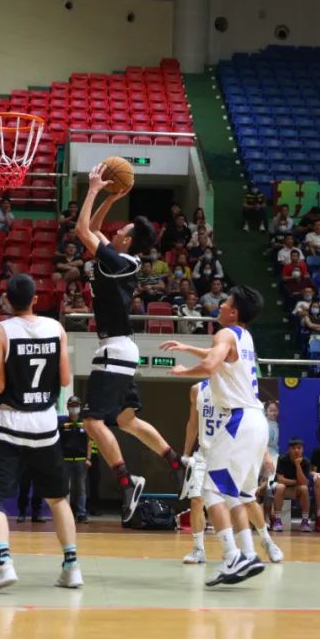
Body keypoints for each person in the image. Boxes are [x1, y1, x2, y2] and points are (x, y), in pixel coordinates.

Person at [75, 163, 179, 522]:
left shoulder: (118, 262)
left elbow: (80, 230)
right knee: (128, 420)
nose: (117, 230)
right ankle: (179, 464)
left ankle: (126, 480)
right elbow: (92, 229)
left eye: (123, 229)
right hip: (123, 349)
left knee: (92, 421)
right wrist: (111, 197)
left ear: (128, 241)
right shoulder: (122, 259)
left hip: (115, 349)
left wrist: (92, 189)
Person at [0, 276, 81, 592]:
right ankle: (72, 567)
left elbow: (1, 387)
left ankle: (4, 563)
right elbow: (64, 380)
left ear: (6, 300)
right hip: (45, 426)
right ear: (36, 299)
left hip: (10, 425)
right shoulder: (55, 328)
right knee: (58, 498)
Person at [164, 285, 269, 586]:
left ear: (234, 312)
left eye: (225, 302)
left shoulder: (224, 334)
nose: (220, 305)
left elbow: (211, 364)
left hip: (239, 420)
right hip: (254, 420)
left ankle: (232, 557)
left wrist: (185, 372)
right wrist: (188, 349)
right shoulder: (244, 337)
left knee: (209, 490)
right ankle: (247, 554)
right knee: (230, 491)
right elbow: (221, 357)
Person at [182, 381, 283, 563]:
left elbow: (253, 424)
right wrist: (185, 454)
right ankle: (198, 549)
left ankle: (267, 541)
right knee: (197, 500)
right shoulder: (197, 390)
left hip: (232, 453)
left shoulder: (238, 389)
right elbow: (192, 423)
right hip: (205, 454)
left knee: (247, 500)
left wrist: (265, 454)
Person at [59, 396, 90, 524]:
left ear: (80, 407)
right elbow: (58, 443)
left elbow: (89, 442)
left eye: (76, 405)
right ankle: (65, 514)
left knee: (81, 488)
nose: (74, 408)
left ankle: (81, 514)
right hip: (65, 461)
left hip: (81, 461)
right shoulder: (62, 424)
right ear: (67, 407)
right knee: (65, 489)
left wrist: (88, 458)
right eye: (71, 405)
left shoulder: (85, 423)